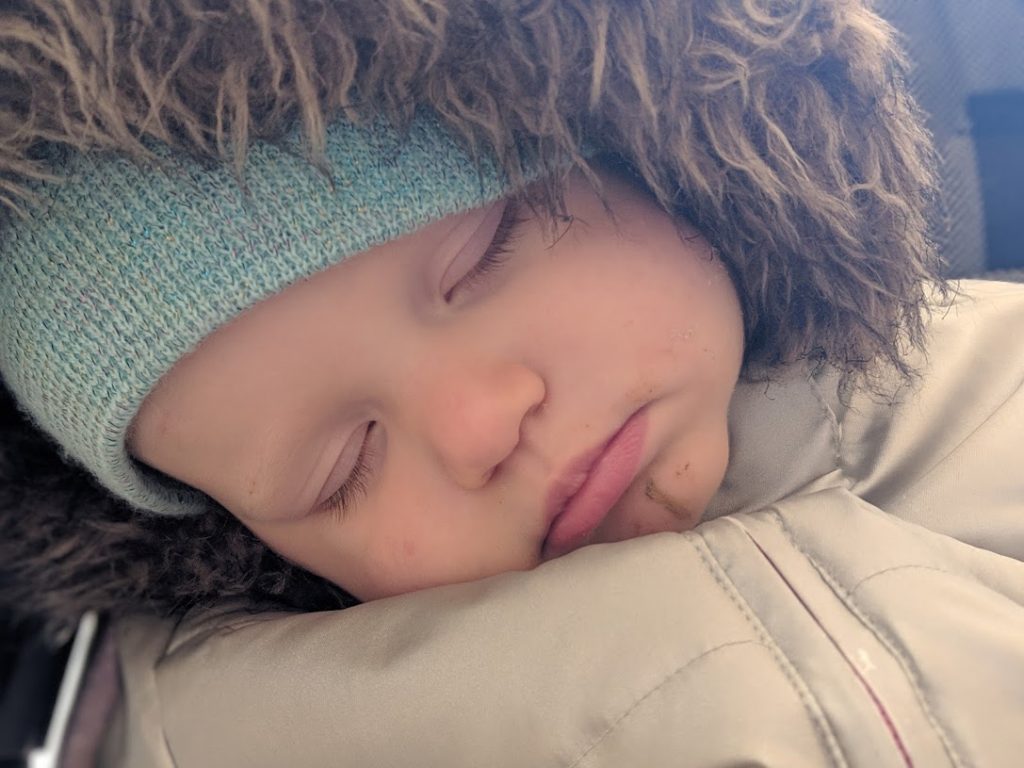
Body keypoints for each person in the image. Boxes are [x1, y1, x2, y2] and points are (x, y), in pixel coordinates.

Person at [1, 1, 1022, 765]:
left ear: (643, 154)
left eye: (482, 257)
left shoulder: (989, 382)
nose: (478, 423)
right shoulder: (225, 729)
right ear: (240, 543)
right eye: (340, 468)